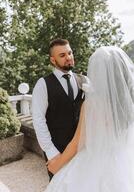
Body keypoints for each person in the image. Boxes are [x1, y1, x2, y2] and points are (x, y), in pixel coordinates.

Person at [44, 46, 134, 192]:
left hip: (94, 162)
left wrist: (56, 165)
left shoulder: (94, 103)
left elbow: (77, 142)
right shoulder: (130, 102)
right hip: (125, 163)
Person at [32, 38, 87, 180]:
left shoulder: (84, 81)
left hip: (82, 149)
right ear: (53, 60)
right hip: (57, 149)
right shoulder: (43, 84)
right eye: (62, 55)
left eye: (70, 53)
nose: (68, 57)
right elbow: (38, 120)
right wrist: (52, 153)